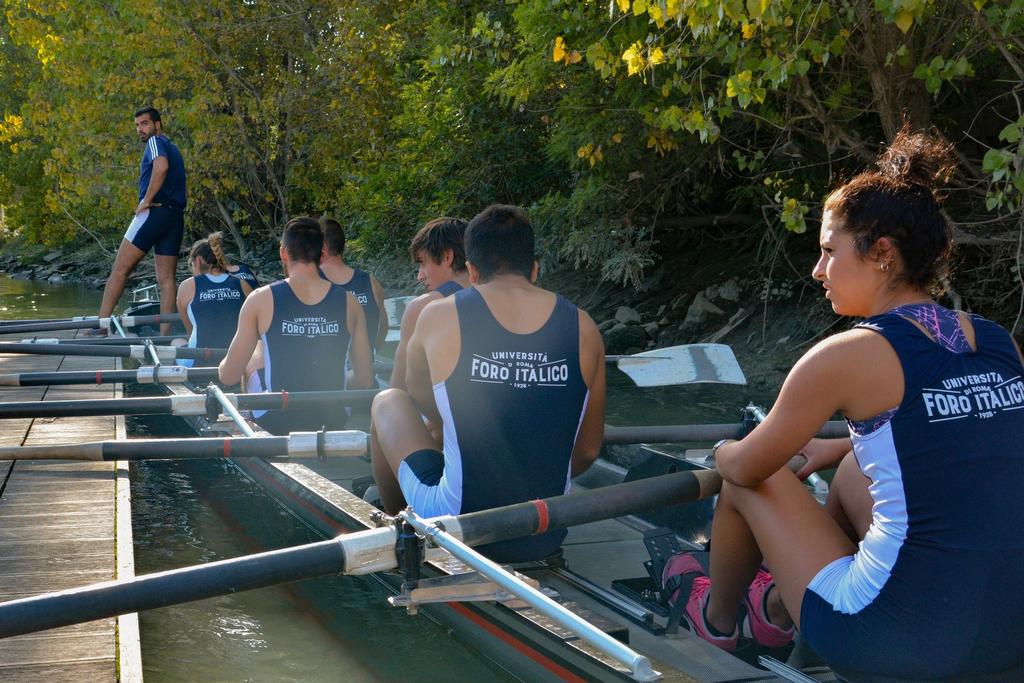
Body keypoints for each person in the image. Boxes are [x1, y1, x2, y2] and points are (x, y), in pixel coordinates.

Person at [671, 129, 1024, 678]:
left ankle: (720, 623)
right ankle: (778, 605)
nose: (817, 271)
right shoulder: (996, 340)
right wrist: (839, 445)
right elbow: (956, 434)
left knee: (751, 478)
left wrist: (723, 449)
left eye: (829, 251)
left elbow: (746, 465)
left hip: (889, 638)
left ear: (882, 254)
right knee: (858, 468)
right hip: (1008, 636)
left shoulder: (847, 355)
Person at [370, 204, 607, 562]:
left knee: (387, 401)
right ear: (534, 269)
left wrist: (451, 427)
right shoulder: (584, 326)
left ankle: (401, 527)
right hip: (545, 532)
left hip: (457, 525)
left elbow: (413, 392)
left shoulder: (436, 315)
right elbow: (588, 450)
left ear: (472, 271)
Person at [218, 217, 373, 434]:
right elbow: (365, 379)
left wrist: (224, 364)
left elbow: (228, 377)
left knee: (252, 356)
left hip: (277, 420)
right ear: (322, 253)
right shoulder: (351, 303)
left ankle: (249, 421)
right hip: (334, 418)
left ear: (283, 253)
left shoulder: (259, 299)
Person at [96, 107, 187, 335]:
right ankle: (164, 336)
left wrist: (146, 200)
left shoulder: (155, 143)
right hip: (174, 217)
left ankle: (101, 326)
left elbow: (161, 166)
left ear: (158, 124)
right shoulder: (174, 148)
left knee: (119, 270)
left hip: (154, 213)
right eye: (137, 125)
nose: (140, 129)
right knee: (166, 280)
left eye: (145, 124)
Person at [389, 217, 471, 390]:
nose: (420, 276)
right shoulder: (503, 299)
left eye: (423, 263)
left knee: (388, 399)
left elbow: (399, 386)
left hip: (441, 415)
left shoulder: (422, 307)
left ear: (447, 256)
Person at [175, 232, 252, 367]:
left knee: (177, 342)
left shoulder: (186, 286)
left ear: (197, 261)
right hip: (236, 362)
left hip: (199, 362)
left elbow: (190, 330)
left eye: (191, 264)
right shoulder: (242, 283)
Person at [318, 217, 388, 360]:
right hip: (367, 375)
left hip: (326, 379)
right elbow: (383, 329)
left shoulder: (310, 283)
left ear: (323, 247)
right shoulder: (371, 282)